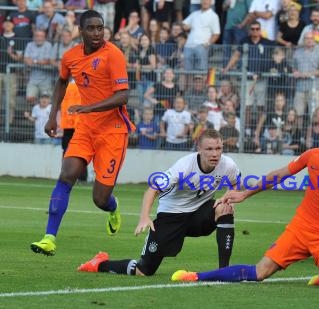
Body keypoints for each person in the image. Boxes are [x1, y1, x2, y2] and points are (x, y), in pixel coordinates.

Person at [170, 122, 319, 288]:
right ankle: (196, 276)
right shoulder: (313, 156)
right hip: (300, 229)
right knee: (259, 272)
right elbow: (279, 175)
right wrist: (245, 194)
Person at [30, 10, 135, 256]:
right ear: (81, 31)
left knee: (99, 198)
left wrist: (88, 107)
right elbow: (61, 82)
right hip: (86, 128)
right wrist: (52, 114)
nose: (97, 33)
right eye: (92, 28)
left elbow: (123, 96)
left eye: (101, 28)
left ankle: (113, 207)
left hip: (113, 131)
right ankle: (49, 237)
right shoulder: (70, 57)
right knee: (67, 175)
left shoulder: (114, 55)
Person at [78, 129, 241, 276]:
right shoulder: (183, 167)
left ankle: (224, 271)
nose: (215, 154)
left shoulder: (228, 165)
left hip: (199, 215)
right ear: (199, 148)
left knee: (224, 208)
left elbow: (235, 182)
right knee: (144, 270)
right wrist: (145, 217)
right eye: (209, 149)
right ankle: (99, 264)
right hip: (172, 216)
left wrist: (228, 198)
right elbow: (152, 189)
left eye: (218, 149)